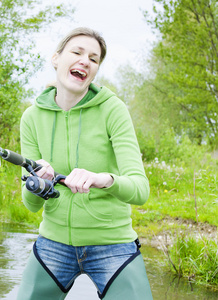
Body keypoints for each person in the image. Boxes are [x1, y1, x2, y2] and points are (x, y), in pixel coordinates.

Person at [16, 27, 153, 299]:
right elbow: (30, 205)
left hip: (112, 243)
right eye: (77, 52)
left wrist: (104, 179)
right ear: (56, 58)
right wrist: (39, 183)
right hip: (53, 243)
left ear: (95, 70)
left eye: (93, 58)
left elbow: (141, 190)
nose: (85, 61)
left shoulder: (113, 110)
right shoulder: (31, 118)